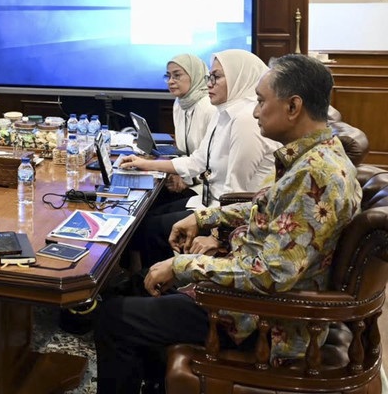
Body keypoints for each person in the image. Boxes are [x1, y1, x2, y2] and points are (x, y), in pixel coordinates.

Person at [94, 54, 362, 393]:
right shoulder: (312, 157)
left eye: (262, 102)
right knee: (138, 287)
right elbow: (265, 207)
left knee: (114, 318)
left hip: (258, 318)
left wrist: (183, 265)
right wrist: (202, 217)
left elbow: (270, 275)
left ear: (293, 107)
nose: (255, 111)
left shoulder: (316, 176)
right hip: (247, 293)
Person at [121, 50, 281, 270]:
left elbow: (236, 192)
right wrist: (145, 164)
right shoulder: (224, 112)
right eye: (209, 77)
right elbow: (198, 160)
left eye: (217, 77)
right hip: (210, 202)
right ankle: (152, 278)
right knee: (146, 216)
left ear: (239, 77)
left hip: (230, 215)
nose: (209, 84)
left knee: (150, 228)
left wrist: (215, 236)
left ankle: (158, 281)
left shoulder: (245, 121)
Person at [162, 54, 216, 199]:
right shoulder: (179, 103)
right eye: (168, 76)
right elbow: (182, 151)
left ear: (195, 75)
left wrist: (188, 179)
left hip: (207, 188)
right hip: (187, 178)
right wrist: (177, 172)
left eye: (177, 75)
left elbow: (215, 162)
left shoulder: (209, 107)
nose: (170, 81)